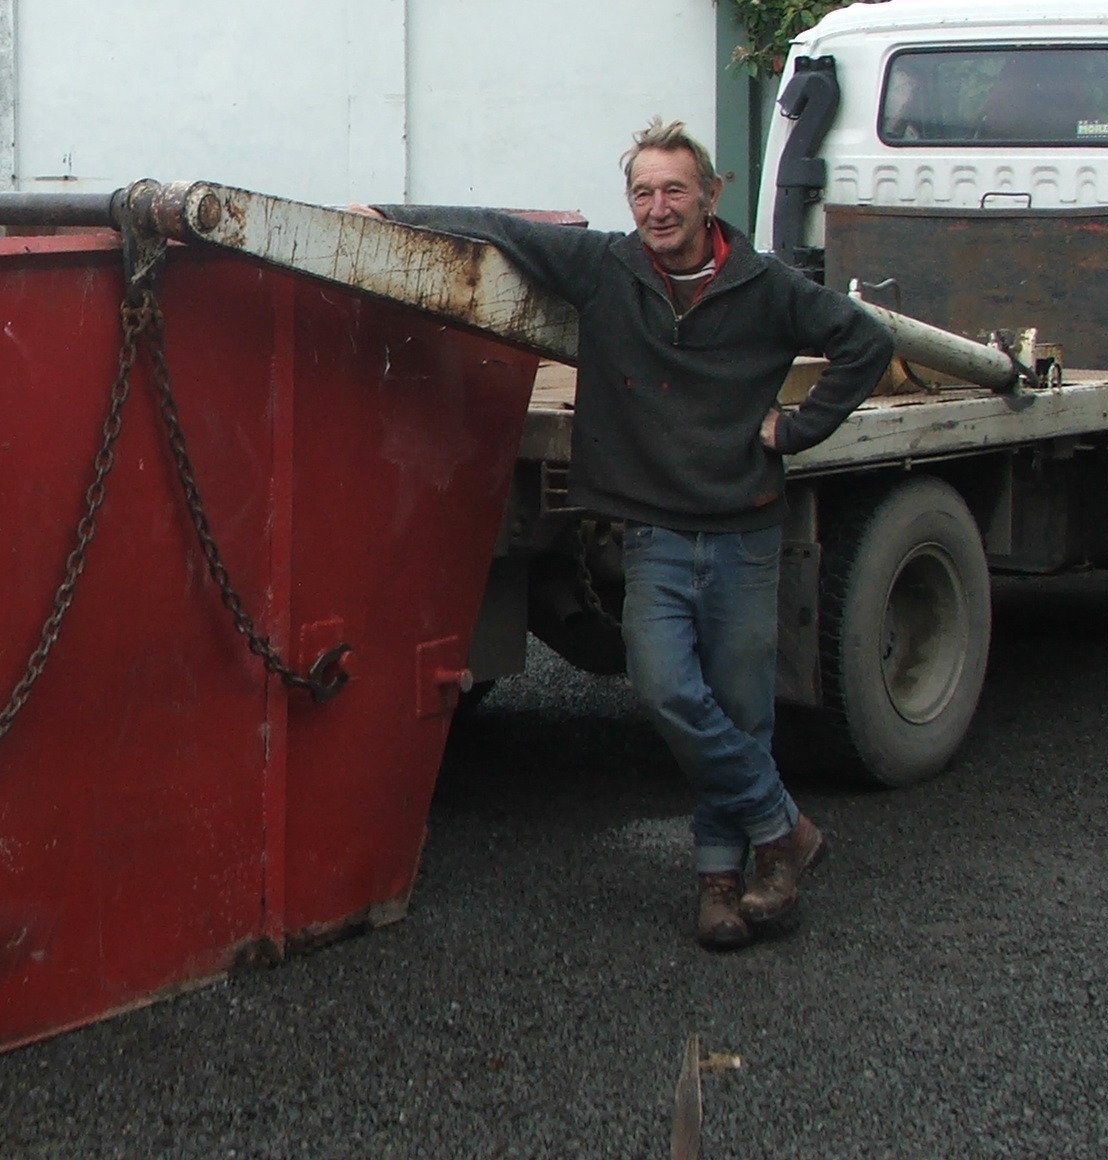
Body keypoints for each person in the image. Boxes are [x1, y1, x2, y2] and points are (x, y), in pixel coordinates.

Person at [350, 119, 893, 951]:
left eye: (674, 189)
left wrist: (799, 428)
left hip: (744, 533)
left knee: (741, 711)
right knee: (669, 689)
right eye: (642, 191)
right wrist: (388, 212)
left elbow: (866, 342)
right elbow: (504, 232)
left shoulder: (766, 284)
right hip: (656, 535)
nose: (657, 207)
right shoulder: (607, 269)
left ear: (712, 195)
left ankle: (728, 877)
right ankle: (786, 827)